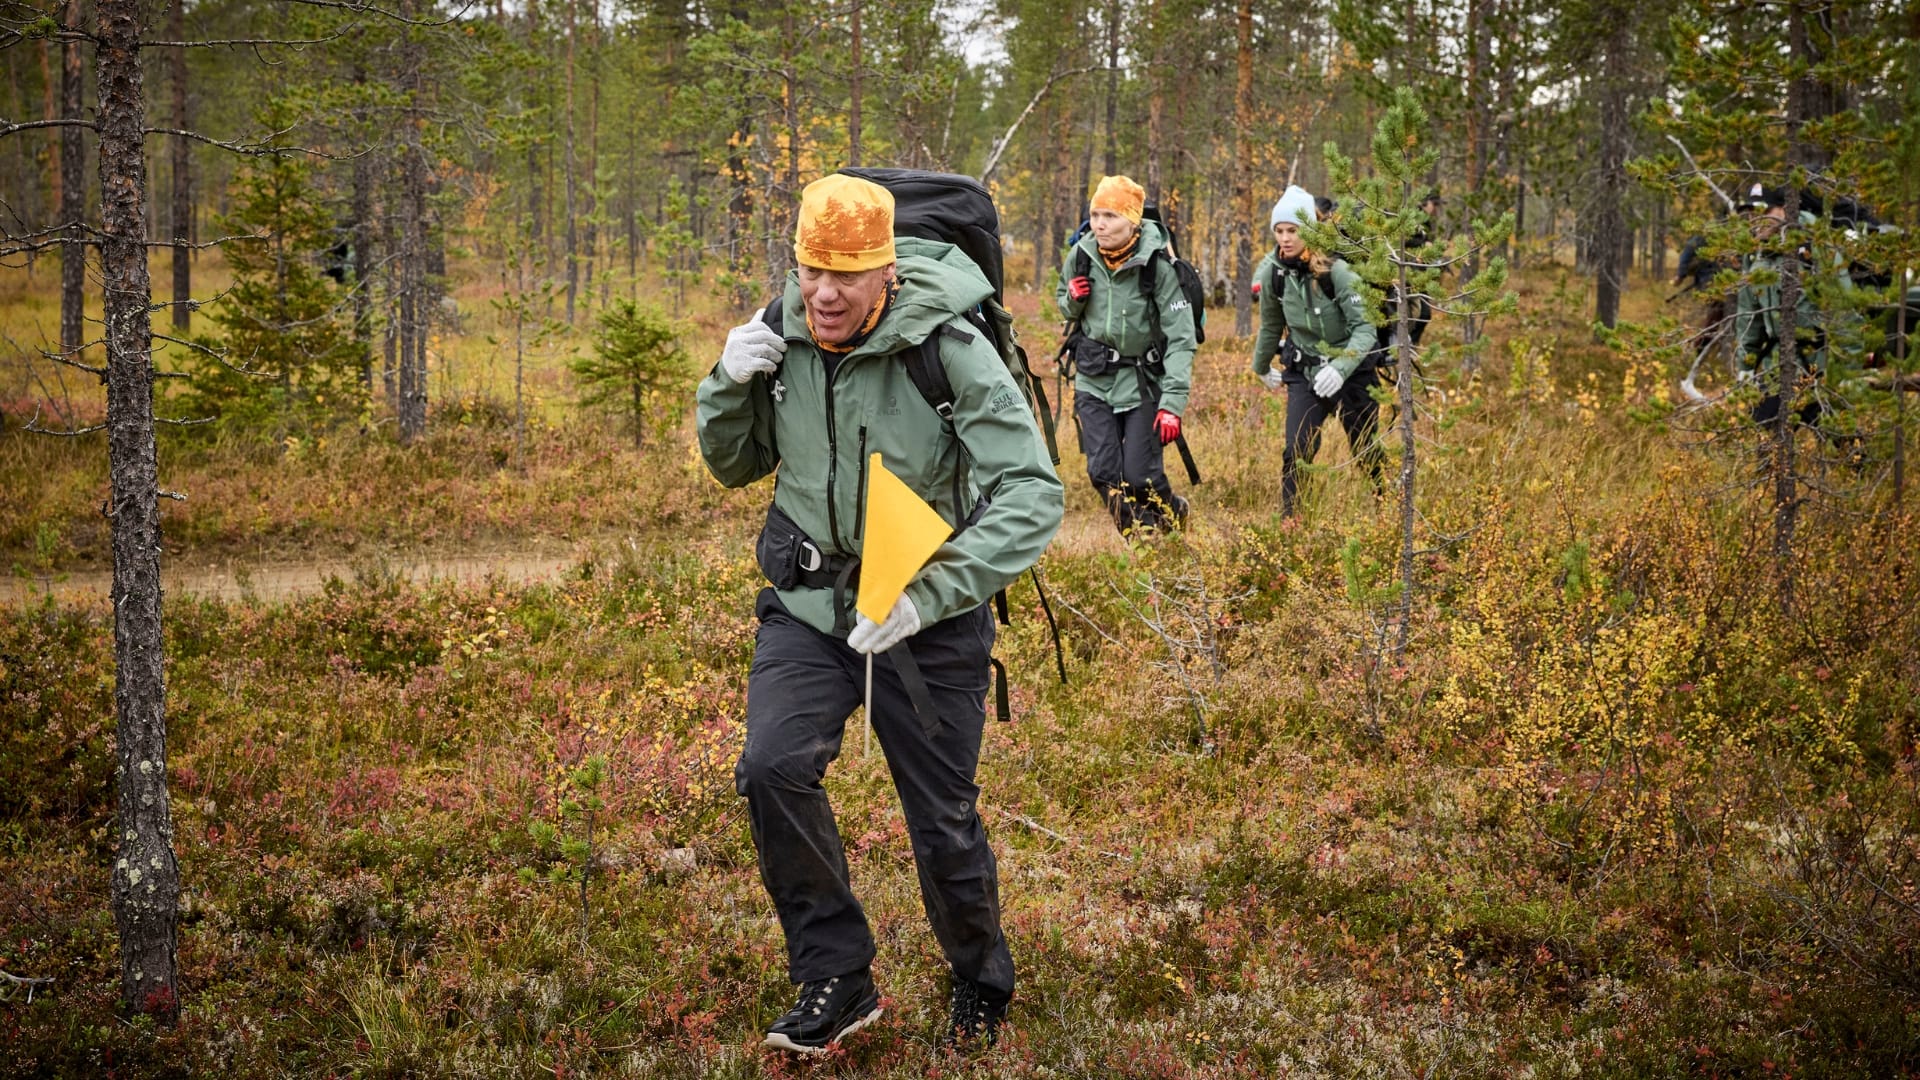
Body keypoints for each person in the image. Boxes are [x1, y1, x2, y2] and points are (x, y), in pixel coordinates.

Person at [696, 174, 1063, 1055]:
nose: (822, 293)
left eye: (845, 276)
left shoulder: (947, 345)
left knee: (939, 818)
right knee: (771, 768)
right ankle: (837, 976)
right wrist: (724, 382)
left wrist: (928, 595)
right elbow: (735, 464)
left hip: (925, 619)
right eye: (810, 269)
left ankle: (979, 978)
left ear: (886, 272)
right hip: (810, 606)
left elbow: (1032, 492)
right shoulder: (781, 325)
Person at [1055, 174, 1198, 535]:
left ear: (1132, 220)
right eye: (1096, 214)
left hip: (1143, 383)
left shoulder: (1158, 266)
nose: (1100, 224)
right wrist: (1072, 297)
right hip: (1093, 378)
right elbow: (1066, 307)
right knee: (1103, 473)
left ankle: (1174, 511)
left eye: (1111, 216)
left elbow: (1181, 338)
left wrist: (1172, 405)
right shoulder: (1081, 255)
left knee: (1140, 475)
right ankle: (1143, 541)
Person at [1250, 184, 1384, 517]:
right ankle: (1291, 522)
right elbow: (1270, 325)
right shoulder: (1274, 274)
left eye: (1292, 230)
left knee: (1365, 447)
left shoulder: (1337, 272)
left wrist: (1339, 369)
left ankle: (1385, 505)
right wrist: (1261, 365)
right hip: (1305, 372)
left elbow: (1365, 330)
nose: (1285, 238)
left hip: (1353, 373)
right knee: (1297, 449)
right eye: (1279, 231)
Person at [1734, 183, 1855, 444]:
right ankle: (1767, 483)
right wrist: (1744, 364)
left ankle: (1862, 473)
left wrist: (1848, 372)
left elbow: (1844, 308)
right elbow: (1749, 314)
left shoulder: (1815, 246)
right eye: (1750, 214)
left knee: (1843, 442)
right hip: (1774, 364)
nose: (1756, 220)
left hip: (1817, 365)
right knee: (1763, 439)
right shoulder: (1754, 253)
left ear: (1784, 211)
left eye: (1763, 211)